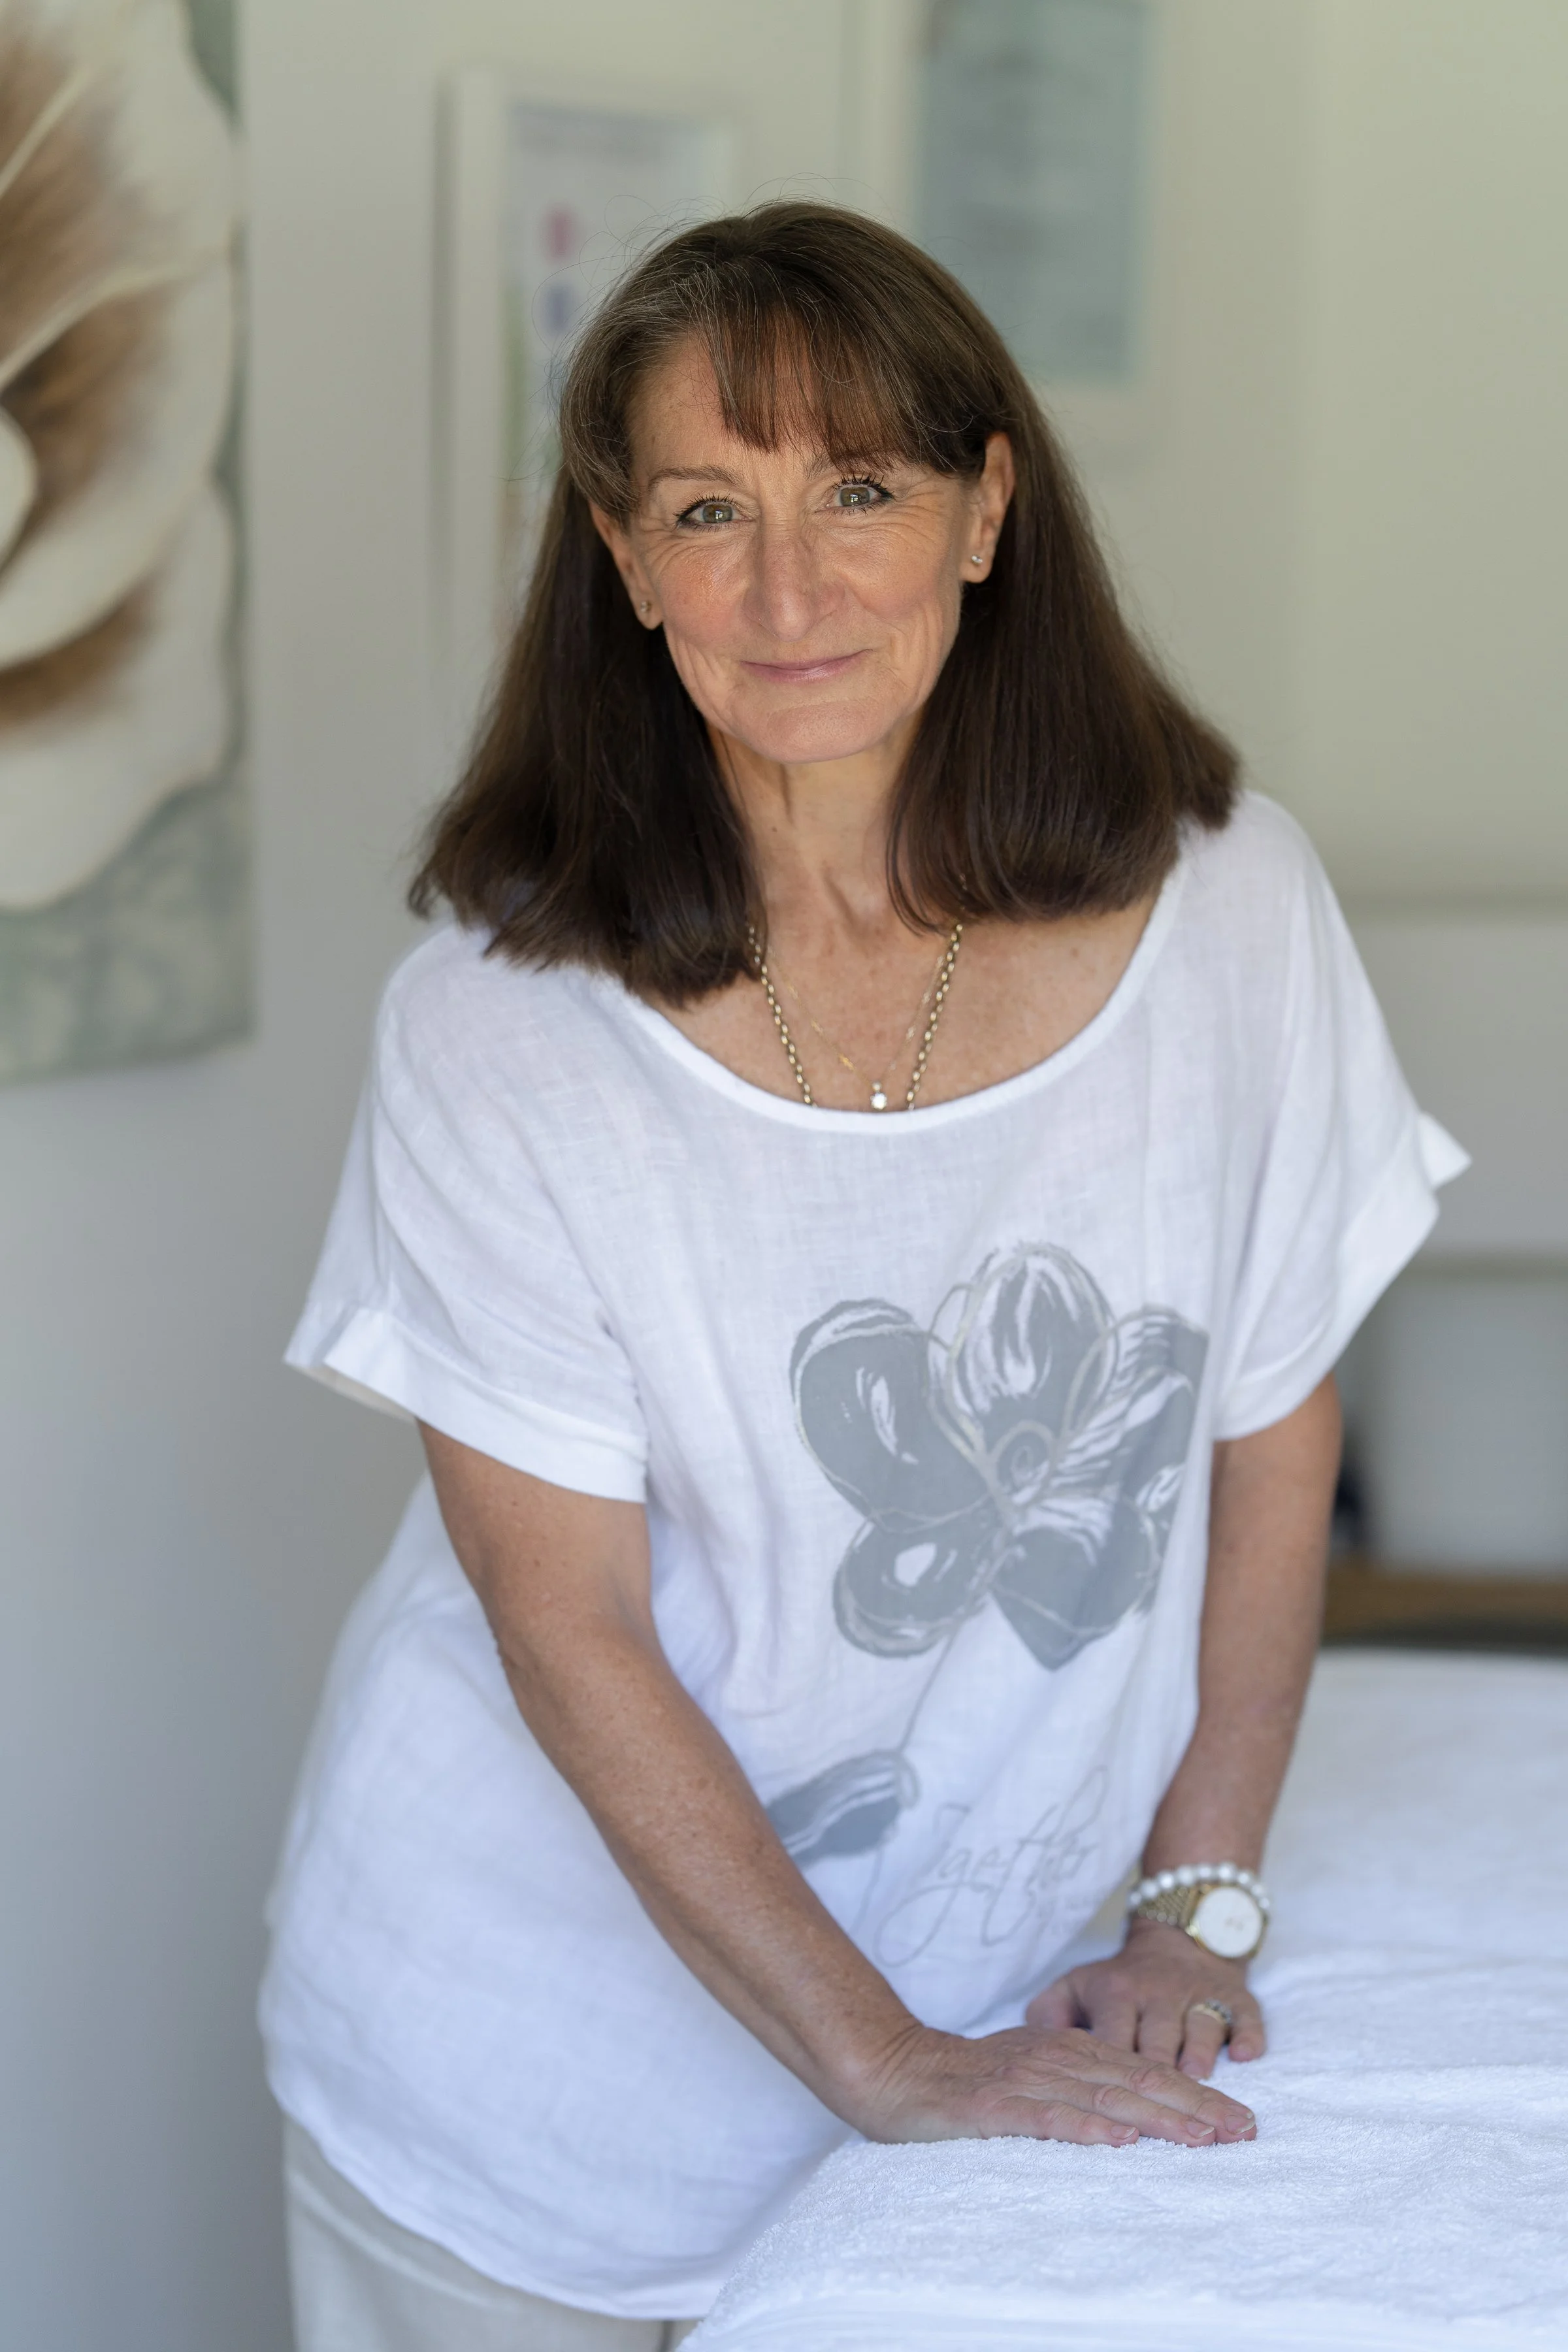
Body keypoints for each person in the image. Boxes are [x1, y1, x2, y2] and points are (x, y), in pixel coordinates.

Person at [263, 203, 1462, 2351]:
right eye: (710, 509)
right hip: (526, 2084)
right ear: (624, 562)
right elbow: (570, 1626)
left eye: (864, 491)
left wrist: (1195, 1905)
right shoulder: (501, 1016)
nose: (789, 587)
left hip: (1025, 2001)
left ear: (988, 510)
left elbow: (1272, 1431)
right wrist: (881, 2059)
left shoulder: (1233, 912)